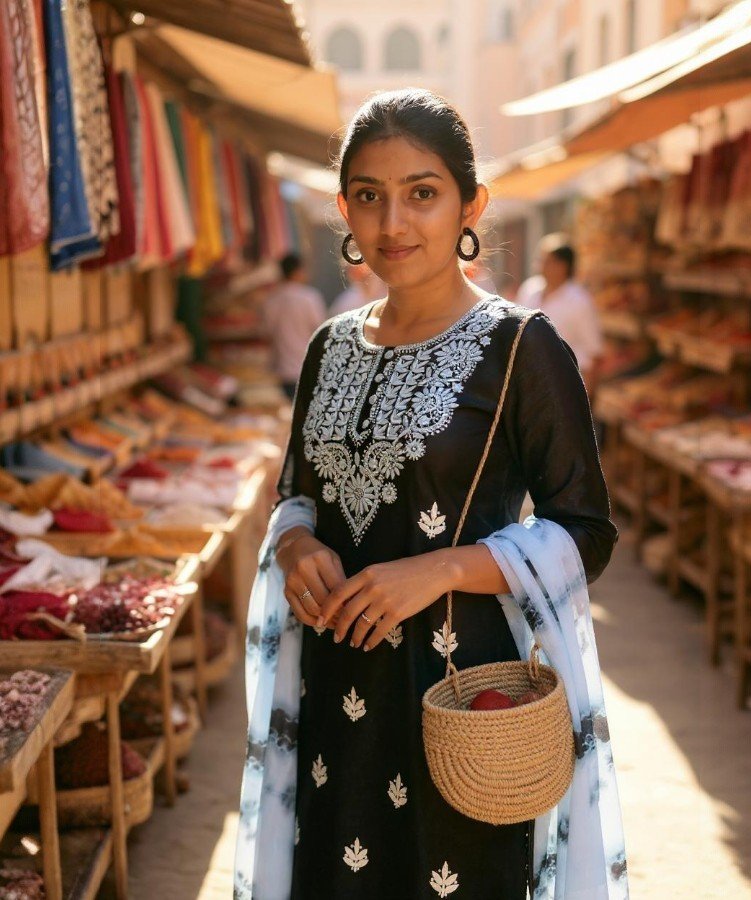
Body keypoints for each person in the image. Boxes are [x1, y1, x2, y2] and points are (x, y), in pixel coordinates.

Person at [236, 89, 626, 900]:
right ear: (344, 208)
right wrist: (296, 543)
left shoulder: (523, 346)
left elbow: (586, 531)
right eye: (370, 197)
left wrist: (441, 569)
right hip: (333, 697)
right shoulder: (327, 347)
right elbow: (295, 493)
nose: (394, 224)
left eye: (422, 193)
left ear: (469, 204)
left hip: (463, 698)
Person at [516, 234, 604, 397]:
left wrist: (587, 398)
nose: (539, 265)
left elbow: (593, 353)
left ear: (562, 266)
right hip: (527, 382)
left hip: (565, 386)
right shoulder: (529, 290)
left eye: (546, 261)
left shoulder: (580, 301)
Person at [261, 252, 326, 399]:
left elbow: (267, 333)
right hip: (308, 368)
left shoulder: (272, 300)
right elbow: (321, 332)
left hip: (283, 370)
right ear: (298, 271)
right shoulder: (310, 298)